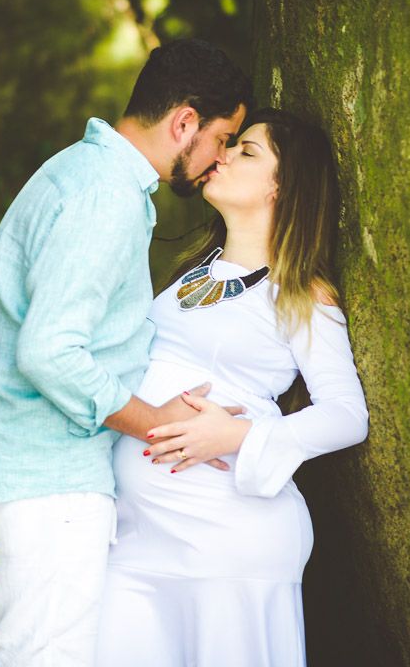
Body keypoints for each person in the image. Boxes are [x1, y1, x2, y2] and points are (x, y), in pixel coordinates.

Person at [0, 38, 255, 667]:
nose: (219, 160)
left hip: (41, 476)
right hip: (47, 481)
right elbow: (50, 352)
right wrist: (159, 424)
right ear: (184, 122)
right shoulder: (104, 196)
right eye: (223, 139)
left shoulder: (86, 174)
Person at [95, 108, 370, 666]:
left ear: (280, 187)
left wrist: (239, 434)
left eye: (246, 152)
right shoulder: (192, 270)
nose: (221, 155)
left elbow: (347, 415)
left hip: (226, 540)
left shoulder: (300, 294)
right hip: (138, 534)